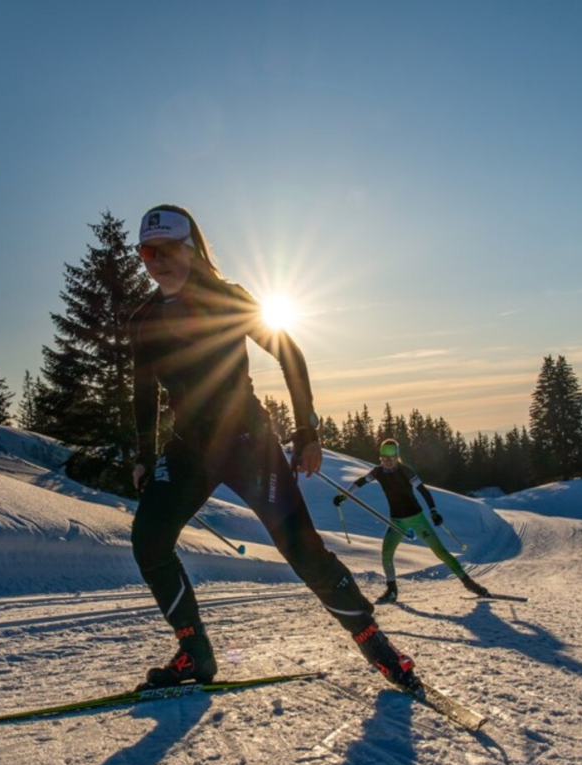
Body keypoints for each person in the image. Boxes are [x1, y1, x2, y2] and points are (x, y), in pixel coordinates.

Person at [127, 205, 420, 691]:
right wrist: (142, 453)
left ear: (192, 249)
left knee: (302, 550)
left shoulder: (226, 299)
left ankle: (377, 646)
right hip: (187, 450)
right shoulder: (144, 318)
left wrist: (307, 431)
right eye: (146, 251)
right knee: (148, 540)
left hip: (249, 445)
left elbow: (289, 352)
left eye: (166, 249)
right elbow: (142, 392)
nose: (155, 260)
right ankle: (194, 654)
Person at [333, 438, 489, 602]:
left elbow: (423, 491)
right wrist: (344, 496)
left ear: (397, 457)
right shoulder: (378, 472)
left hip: (416, 518)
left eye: (391, 459)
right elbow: (361, 482)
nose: (387, 462)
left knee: (441, 552)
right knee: (386, 553)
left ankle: (469, 583)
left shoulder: (405, 471)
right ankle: (392, 590)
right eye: (384, 459)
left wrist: (433, 511)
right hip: (396, 521)